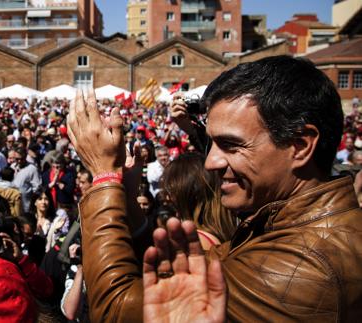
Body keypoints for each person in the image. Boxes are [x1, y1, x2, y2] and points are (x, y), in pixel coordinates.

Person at [67, 56, 362, 322]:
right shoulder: (286, 225)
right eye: (212, 144)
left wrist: (104, 177)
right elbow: (173, 276)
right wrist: (128, 200)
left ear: (300, 146)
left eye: (231, 145)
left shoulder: (301, 265)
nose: (210, 162)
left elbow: (115, 309)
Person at [11, 147, 41, 213]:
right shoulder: (12, 167)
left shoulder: (32, 169)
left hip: (26, 206)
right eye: (17, 159)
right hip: (13, 205)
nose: (19, 161)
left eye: (22, 159)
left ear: (25, 157)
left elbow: (37, 188)